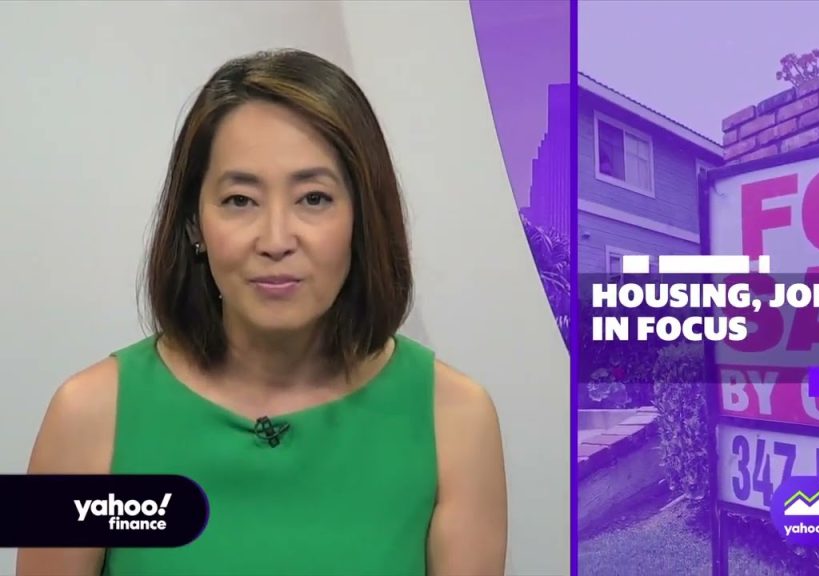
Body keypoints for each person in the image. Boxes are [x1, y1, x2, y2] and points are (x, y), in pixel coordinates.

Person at [17, 48, 507, 576]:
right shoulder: (87, 415)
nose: (275, 240)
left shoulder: (455, 419)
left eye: (314, 198)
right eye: (240, 200)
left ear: (362, 218)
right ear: (193, 224)